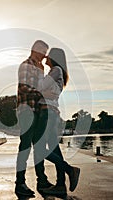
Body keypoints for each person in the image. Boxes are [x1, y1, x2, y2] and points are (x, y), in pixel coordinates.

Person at [36, 48, 80, 196]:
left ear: (54, 58)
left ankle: (69, 170)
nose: (45, 56)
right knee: (54, 149)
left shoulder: (55, 70)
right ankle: (61, 184)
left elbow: (40, 87)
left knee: (40, 148)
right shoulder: (57, 72)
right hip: (51, 112)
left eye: (49, 54)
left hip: (47, 112)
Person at [15, 40, 53, 197]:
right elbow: (24, 87)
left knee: (39, 146)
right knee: (25, 146)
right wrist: (42, 93)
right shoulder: (25, 65)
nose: (45, 56)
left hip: (38, 111)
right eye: (43, 52)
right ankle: (20, 183)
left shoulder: (40, 67)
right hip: (26, 110)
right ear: (35, 50)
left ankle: (42, 180)